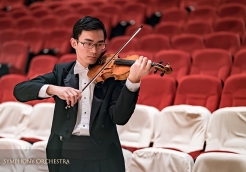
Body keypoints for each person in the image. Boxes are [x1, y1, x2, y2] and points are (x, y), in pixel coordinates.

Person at [13, 16, 153, 172]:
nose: (94, 51)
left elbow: (120, 118)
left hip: (103, 156)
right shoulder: (62, 73)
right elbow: (20, 90)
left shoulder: (112, 75)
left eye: (100, 44)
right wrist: (54, 89)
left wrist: (133, 81)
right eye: (88, 44)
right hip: (64, 153)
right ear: (74, 43)